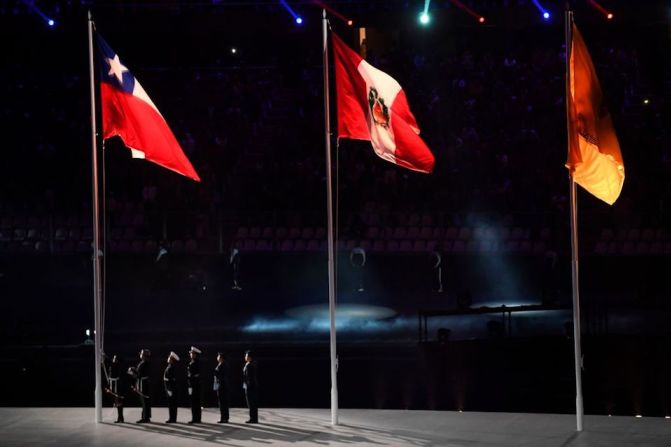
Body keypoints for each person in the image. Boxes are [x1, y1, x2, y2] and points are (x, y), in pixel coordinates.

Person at [133, 348, 152, 423]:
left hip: (143, 383)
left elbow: (139, 375)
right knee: (146, 401)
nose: (140, 355)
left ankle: (145, 418)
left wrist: (132, 373)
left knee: (144, 401)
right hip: (145, 382)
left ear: (144, 355)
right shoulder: (145, 362)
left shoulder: (143, 363)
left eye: (141, 354)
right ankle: (147, 417)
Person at [105, 354, 125, 423]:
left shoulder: (116, 365)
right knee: (116, 402)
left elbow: (110, 362)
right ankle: (120, 418)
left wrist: (105, 356)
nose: (113, 359)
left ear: (117, 360)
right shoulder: (113, 365)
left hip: (116, 385)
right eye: (113, 358)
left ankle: (120, 418)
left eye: (115, 358)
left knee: (118, 401)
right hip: (112, 383)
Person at [242, 349, 259, 423]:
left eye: (246, 356)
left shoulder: (249, 365)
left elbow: (249, 377)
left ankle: (253, 418)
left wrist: (247, 385)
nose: (245, 357)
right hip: (252, 386)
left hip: (250, 386)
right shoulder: (252, 363)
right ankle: (254, 418)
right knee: (253, 403)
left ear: (250, 357)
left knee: (251, 403)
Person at [187, 346, 202, 424]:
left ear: (195, 354)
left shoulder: (195, 363)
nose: (191, 354)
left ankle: (196, 418)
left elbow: (196, 374)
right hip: (192, 384)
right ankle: (196, 418)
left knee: (195, 402)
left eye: (192, 353)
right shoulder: (193, 362)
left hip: (194, 385)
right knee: (195, 402)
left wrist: (191, 377)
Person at [164, 351, 180, 423]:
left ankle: (172, 419)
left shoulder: (171, 368)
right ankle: (172, 418)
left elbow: (171, 379)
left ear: (172, 360)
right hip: (170, 388)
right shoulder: (170, 367)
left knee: (172, 404)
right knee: (172, 404)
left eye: (170, 358)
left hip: (171, 388)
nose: (168, 359)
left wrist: (170, 389)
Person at [213, 352, 229, 423]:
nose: (217, 357)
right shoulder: (221, 364)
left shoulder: (223, 365)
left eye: (218, 356)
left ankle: (224, 418)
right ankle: (225, 417)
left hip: (221, 386)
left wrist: (216, 373)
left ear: (221, 358)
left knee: (222, 403)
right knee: (223, 402)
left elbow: (221, 376)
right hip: (221, 385)